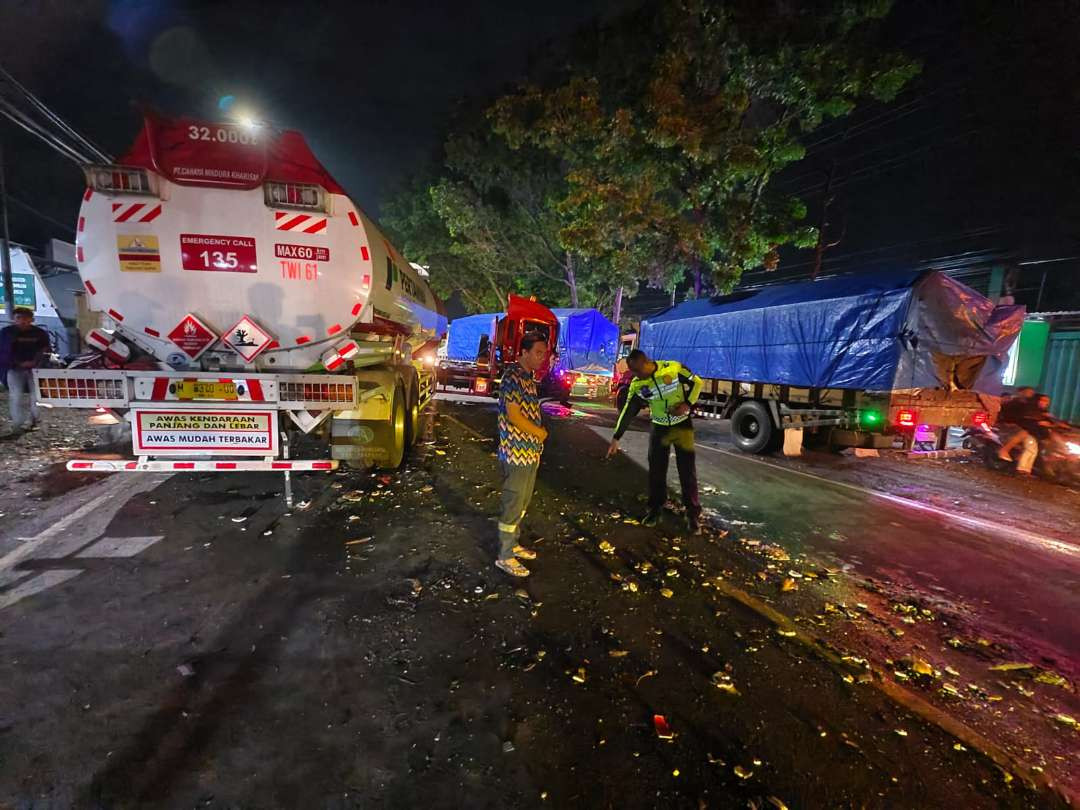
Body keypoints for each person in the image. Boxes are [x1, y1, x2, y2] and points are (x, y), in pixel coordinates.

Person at [606, 349, 703, 534]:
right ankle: (655, 509)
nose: (635, 376)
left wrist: (687, 404)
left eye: (636, 371)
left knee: (687, 470)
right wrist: (616, 437)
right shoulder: (638, 384)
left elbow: (697, 382)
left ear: (645, 363)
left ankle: (692, 514)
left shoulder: (673, 369)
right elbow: (628, 410)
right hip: (659, 427)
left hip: (682, 426)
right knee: (656, 471)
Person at [495, 332, 549, 577]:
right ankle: (504, 556)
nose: (542, 357)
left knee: (522, 502)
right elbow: (514, 415)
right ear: (524, 352)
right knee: (513, 501)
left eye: (544, 353)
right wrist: (540, 433)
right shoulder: (513, 376)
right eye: (538, 352)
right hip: (515, 453)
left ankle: (513, 544)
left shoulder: (528, 378)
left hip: (529, 454)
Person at [0, 307, 51, 434]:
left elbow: (45, 349)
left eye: (26, 318)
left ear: (32, 319)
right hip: (14, 368)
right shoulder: (6, 333)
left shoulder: (39, 333)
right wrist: (18, 363)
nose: (22, 321)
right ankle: (18, 423)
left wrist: (36, 362)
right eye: (19, 318)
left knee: (36, 396)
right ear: (13, 319)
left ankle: (33, 419)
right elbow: (4, 352)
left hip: (35, 369)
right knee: (15, 396)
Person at [996, 386, 1038, 470]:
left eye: (1031, 393)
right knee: (1023, 434)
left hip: (1024, 428)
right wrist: (1007, 422)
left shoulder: (1029, 405)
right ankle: (1004, 450)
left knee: (1031, 444)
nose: (1030, 394)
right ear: (1020, 392)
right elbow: (1004, 414)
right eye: (1028, 392)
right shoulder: (1012, 402)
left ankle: (1025, 469)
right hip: (1009, 426)